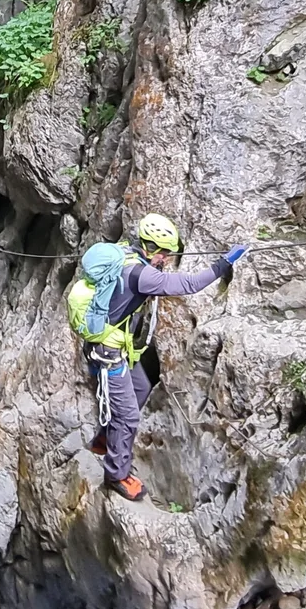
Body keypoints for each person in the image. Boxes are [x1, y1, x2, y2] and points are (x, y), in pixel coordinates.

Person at [70, 214, 247, 502]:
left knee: (139, 386)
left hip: (113, 346)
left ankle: (105, 439)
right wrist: (223, 264)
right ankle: (116, 475)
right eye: (164, 254)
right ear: (153, 249)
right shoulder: (143, 275)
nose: (166, 259)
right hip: (108, 353)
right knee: (127, 416)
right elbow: (189, 284)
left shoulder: (126, 252)